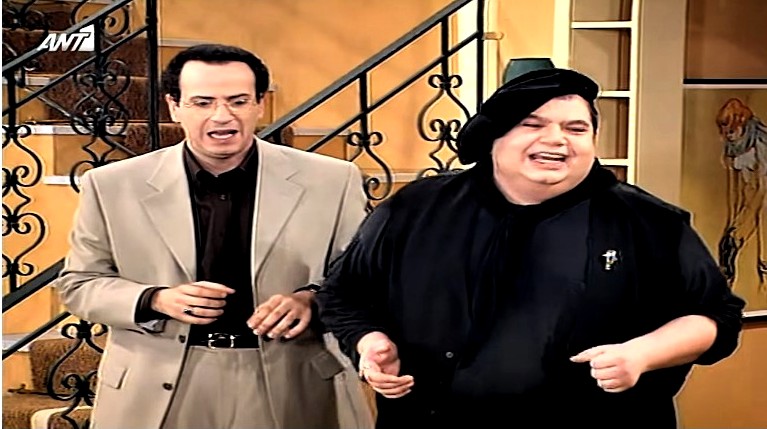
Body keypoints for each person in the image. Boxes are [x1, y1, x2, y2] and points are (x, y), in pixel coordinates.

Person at [316, 68, 746, 428]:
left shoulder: (649, 222)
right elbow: (343, 293)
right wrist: (368, 342)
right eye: (533, 124)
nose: (557, 139)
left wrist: (642, 354)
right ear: (493, 136)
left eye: (576, 129)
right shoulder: (414, 209)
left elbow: (717, 318)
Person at [55, 44, 374, 429]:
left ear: (260, 104)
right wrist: (155, 299)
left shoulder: (332, 180)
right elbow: (79, 284)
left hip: (294, 381)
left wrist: (311, 299)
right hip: (157, 386)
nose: (222, 116)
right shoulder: (111, 185)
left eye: (238, 101)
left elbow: (364, 278)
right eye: (203, 102)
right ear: (174, 106)